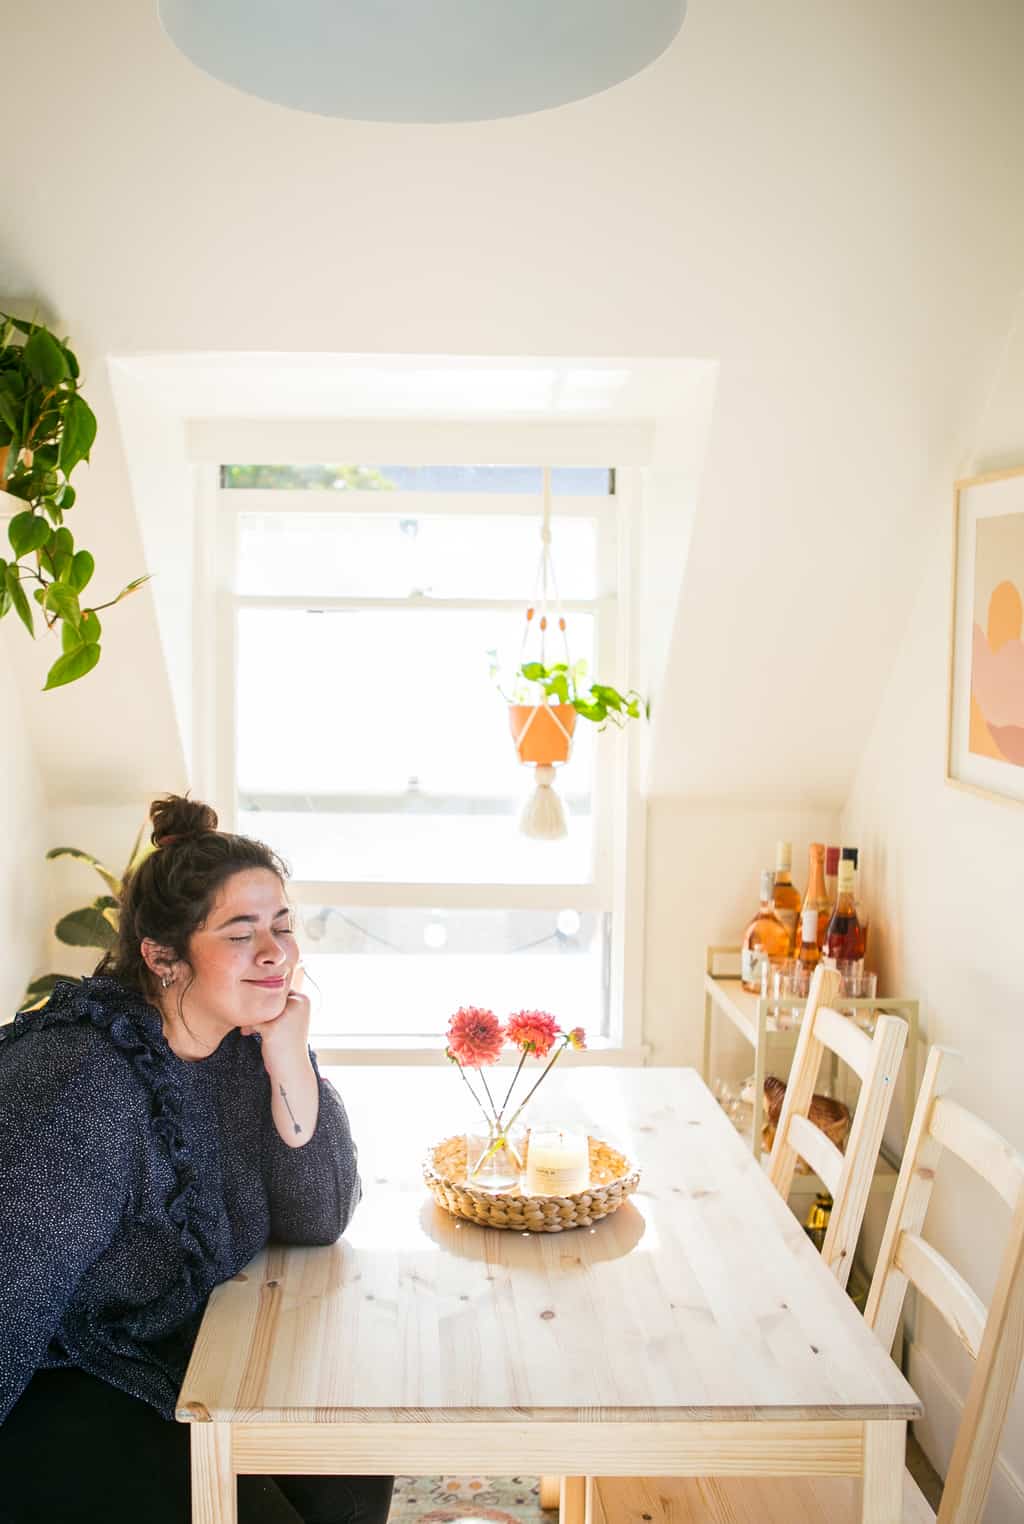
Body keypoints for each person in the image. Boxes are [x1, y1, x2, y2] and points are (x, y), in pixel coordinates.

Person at [0, 795, 394, 1524]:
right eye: (241, 934)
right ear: (161, 954)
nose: (275, 952)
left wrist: (290, 1062)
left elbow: (317, 1218)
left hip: (170, 1351)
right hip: (54, 1388)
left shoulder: (237, 1037)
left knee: (351, 1464)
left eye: (281, 926)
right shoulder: (80, 1082)